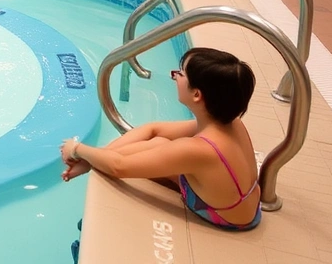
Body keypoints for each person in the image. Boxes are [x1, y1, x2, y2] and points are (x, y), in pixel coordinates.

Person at [60, 47, 262, 231]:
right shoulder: (228, 122)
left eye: (180, 74)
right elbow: (154, 130)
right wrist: (90, 161)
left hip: (223, 216)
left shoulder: (200, 149)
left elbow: (119, 167)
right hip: (237, 201)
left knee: (149, 155)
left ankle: (93, 162)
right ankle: (93, 162)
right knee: (159, 144)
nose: (174, 77)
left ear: (197, 94)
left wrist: (77, 149)